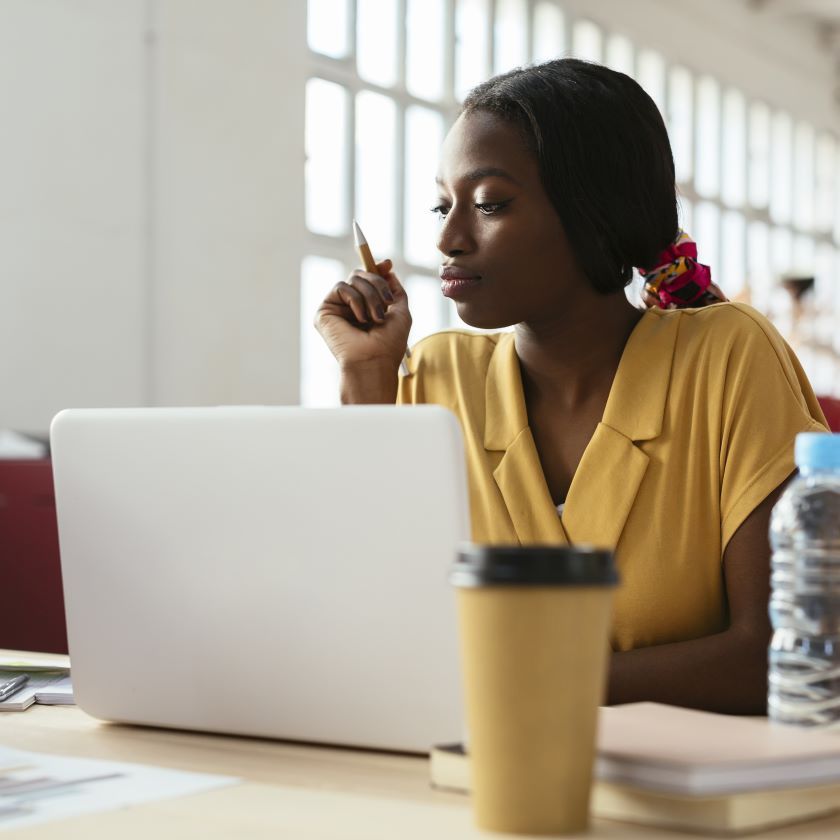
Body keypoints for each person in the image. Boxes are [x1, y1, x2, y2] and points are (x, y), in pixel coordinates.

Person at [314, 59, 827, 714]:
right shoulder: (438, 375)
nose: (448, 237)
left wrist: (521, 680)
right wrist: (364, 375)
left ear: (595, 212)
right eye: (445, 205)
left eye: (491, 204)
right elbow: (365, 625)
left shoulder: (727, 355)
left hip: (681, 795)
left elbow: (779, 654)